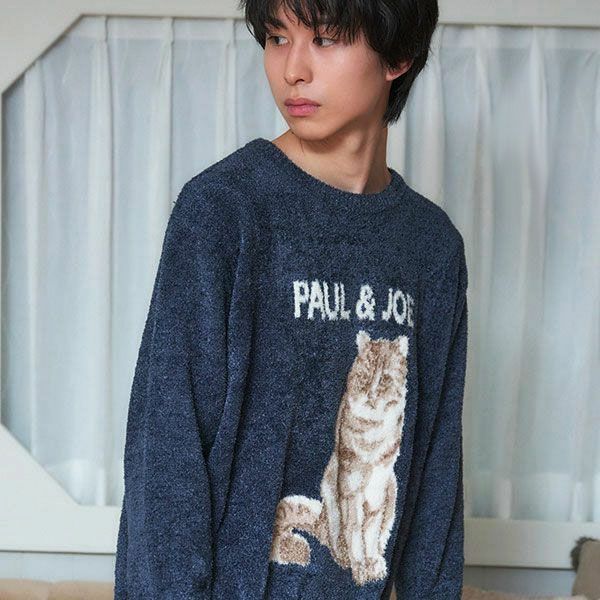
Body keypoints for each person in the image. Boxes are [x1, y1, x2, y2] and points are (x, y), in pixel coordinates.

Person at [114, 0, 468, 598]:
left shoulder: (431, 247)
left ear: (398, 56)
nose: (292, 70)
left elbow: (435, 465)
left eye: (324, 39)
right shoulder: (223, 211)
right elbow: (167, 452)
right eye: (277, 38)